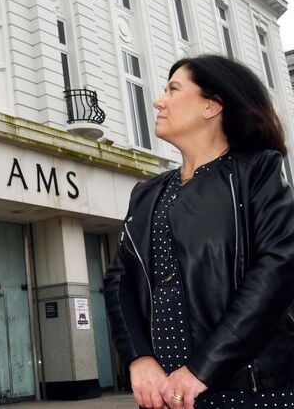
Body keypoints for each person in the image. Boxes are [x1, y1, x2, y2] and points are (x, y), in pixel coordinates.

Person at [104, 54, 294, 409]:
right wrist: (139, 357)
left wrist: (200, 369)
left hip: (248, 393)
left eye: (173, 89)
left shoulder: (259, 170)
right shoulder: (146, 193)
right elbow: (119, 281)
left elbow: (277, 269)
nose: (159, 100)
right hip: (168, 395)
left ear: (211, 105)